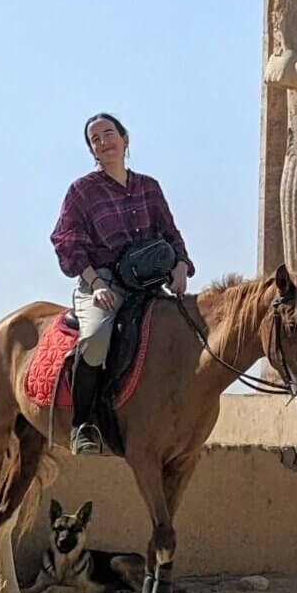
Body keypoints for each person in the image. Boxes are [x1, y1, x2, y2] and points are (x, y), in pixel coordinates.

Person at [50, 112, 195, 456]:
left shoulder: (149, 187)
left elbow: (170, 233)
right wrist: (96, 282)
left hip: (150, 285)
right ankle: (83, 424)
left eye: (109, 133)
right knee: (97, 339)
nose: (104, 142)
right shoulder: (81, 191)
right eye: (95, 139)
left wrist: (180, 266)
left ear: (125, 139)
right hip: (102, 283)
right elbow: (66, 240)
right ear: (92, 152)